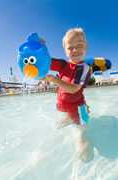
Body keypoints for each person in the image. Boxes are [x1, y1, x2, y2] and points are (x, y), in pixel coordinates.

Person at [46, 28, 94, 162]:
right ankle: (69, 118)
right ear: (65, 51)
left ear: (86, 47)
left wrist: (55, 80)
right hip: (63, 104)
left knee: (83, 130)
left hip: (78, 106)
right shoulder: (62, 64)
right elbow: (45, 61)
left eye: (79, 46)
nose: (75, 50)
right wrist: (40, 47)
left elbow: (73, 89)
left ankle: (82, 139)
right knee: (58, 126)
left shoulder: (84, 68)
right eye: (70, 47)